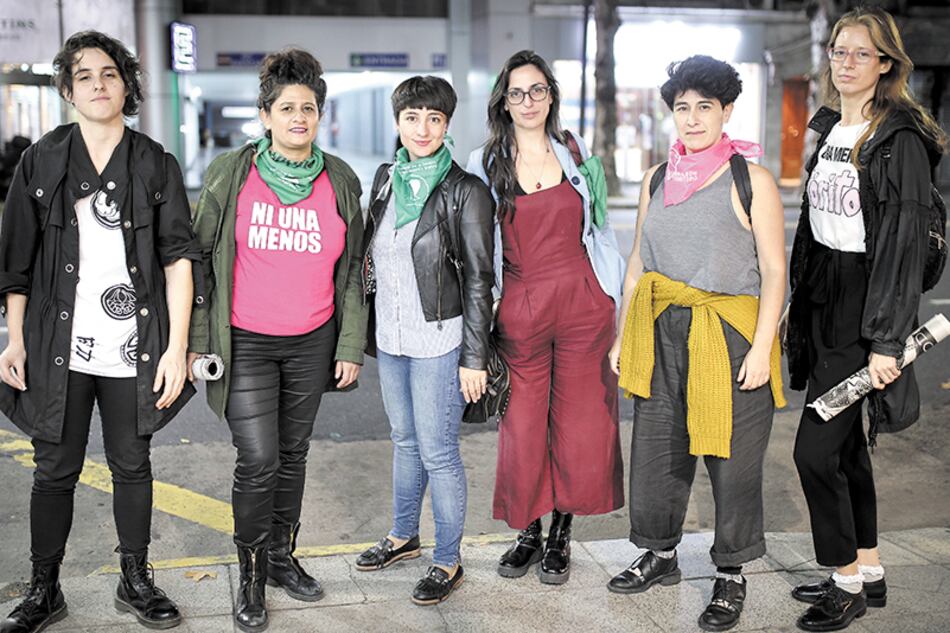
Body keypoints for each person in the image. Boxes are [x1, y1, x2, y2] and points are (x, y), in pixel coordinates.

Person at [0, 31, 199, 632]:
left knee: (131, 464)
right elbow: (16, 261)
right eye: (83, 75)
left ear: (126, 85)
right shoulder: (41, 160)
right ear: (67, 89)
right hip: (57, 344)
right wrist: (15, 339)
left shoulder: (154, 162)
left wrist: (177, 349)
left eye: (109, 73)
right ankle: (44, 589)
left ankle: (135, 578)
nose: (97, 84)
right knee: (53, 469)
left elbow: (178, 259)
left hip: (131, 345)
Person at [187, 48, 368, 631]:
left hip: (312, 340)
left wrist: (349, 345)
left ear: (320, 115)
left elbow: (355, 269)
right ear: (265, 115)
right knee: (259, 457)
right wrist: (196, 342)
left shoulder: (340, 179)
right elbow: (200, 260)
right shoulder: (231, 173)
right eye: (286, 108)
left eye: (308, 108)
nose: (298, 118)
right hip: (245, 342)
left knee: (293, 454)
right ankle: (250, 572)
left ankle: (281, 558)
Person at [609, 55, 787, 632]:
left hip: (728, 333)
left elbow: (775, 272)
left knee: (732, 462)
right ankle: (660, 553)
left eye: (704, 107)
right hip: (661, 328)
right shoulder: (657, 178)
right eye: (682, 108)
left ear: (726, 111)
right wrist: (622, 334)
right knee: (658, 449)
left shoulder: (751, 180)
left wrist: (762, 347)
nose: (691, 119)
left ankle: (731, 572)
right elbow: (638, 262)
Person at [785, 8, 946, 632]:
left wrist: (886, 339)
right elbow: (815, 226)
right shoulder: (829, 126)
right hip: (824, 295)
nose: (846, 62)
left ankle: (844, 581)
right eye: (839, 50)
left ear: (885, 63)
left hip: (865, 301)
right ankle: (869, 571)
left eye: (861, 53)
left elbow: (902, 247)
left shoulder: (899, 138)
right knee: (848, 447)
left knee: (813, 452)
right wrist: (797, 299)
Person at [467, 50, 626, 584]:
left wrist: (613, 302)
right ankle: (528, 531)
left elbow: (600, 231)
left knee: (580, 426)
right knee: (523, 427)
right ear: (503, 102)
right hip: (521, 306)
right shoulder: (484, 162)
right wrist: (487, 311)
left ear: (551, 96)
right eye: (517, 93)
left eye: (537, 90)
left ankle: (561, 532)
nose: (528, 101)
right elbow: (475, 247)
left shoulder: (576, 153)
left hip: (584, 304)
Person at [354, 76, 494, 606]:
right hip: (391, 337)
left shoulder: (466, 191)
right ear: (397, 122)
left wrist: (474, 357)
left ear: (447, 124)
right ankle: (403, 535)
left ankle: (448, 559)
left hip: (440, 340)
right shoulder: (386, 179)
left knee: (438, 451)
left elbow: (480, 279)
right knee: (404, 440)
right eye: (412, 117)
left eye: (434, 119)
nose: (422, 128)